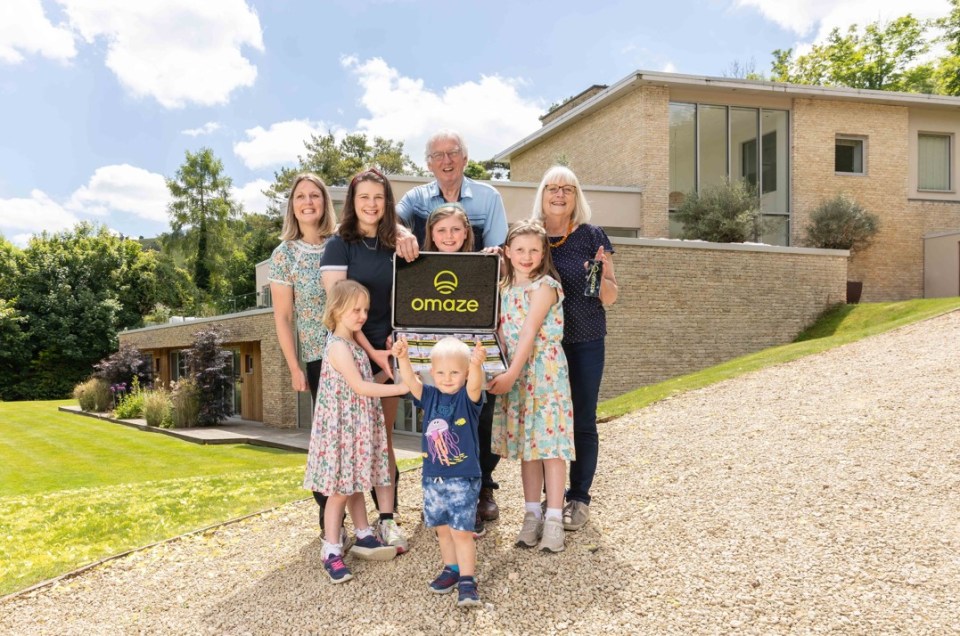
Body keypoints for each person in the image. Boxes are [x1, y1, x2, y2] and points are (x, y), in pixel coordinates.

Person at [397, 133, 508, 530]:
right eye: (438, 155)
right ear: (429, 162)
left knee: (478, 414)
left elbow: (498, 257)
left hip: (472, 340)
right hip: (432, 347)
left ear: (464, 158)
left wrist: (498, 257)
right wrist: (400, 233)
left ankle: (481, 489)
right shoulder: (415, 201)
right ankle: (441, 486)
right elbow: (390, 220)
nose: (446, 160)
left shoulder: (488, 199)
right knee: (439, 419)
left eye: (453, 154)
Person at [320, 167, 408, 553]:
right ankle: (349, 530)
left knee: (381, 441)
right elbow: (340, 310)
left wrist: (392, 353)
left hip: (390, 351)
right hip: (355, 355)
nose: (371, 204)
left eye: (378, 197)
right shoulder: (339, 245)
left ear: (387, 202)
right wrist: (374, 356)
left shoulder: (397, 242)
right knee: (353, 443)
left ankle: (386, 520)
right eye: (363, 197)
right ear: (352, 203)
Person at [530, 166, 619, 532]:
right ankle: (538, 505)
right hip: (542, 345)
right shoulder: (530, 234)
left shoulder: (591, 236)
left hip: (584, 340)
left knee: (582, 419)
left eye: (568, 189)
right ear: (543, 193)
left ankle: (578, 498)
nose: (560, 195)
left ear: (576, 195)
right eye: (553, 188)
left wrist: (599, 277)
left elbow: (611, 296)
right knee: (541, 422)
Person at [303, 280, 409, 583]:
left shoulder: (352, 346)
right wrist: (401, 387)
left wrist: (391, 370)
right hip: (342, 429)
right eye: (355, 310)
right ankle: (332, 549)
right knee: (339, 491)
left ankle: (363, 534)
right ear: (336, 310)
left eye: (365, 309)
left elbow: (367, 377)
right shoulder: (337, 346)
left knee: (354, 484)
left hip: (354, 426)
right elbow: (360, 386)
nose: (362, 315)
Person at [488, 220, 575, 553]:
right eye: (519, 250)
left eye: (534, 250)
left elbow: (527, 334)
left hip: (544, 372)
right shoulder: (503, 288)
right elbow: (497, 331)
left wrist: (510, 374)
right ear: (507, 252)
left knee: (550, 447)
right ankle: (531, 514)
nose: (526, 256)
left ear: (544, 253)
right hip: (516, 372)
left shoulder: (545, 286)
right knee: (528, 447)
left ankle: (554, 519)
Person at [268, 172, 341, 536]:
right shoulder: (284, 255)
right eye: (301, 196)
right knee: (327, 439)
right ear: (292, 205)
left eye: (315, 195)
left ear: (325, 202)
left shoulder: (341, 242)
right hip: (317, 359)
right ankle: (329, 516)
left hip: (353, 354)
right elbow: (282, 318)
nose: (308, 201)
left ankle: (377, 517)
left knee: (360, 433)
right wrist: (294, 366)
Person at [392, 335, 486, 607]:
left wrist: (478, 366)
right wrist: (402, 358)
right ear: (432, 373)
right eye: (441, 372)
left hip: (463, 478)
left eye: (455, 372)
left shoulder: (468, 399)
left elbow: (476, 385)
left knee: (461, 531)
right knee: (443, 529)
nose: (447, 378)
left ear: (465, 373)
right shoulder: (430, 396)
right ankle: (451, 569)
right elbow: (411, 381)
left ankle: (468, 580)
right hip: (433, 479)